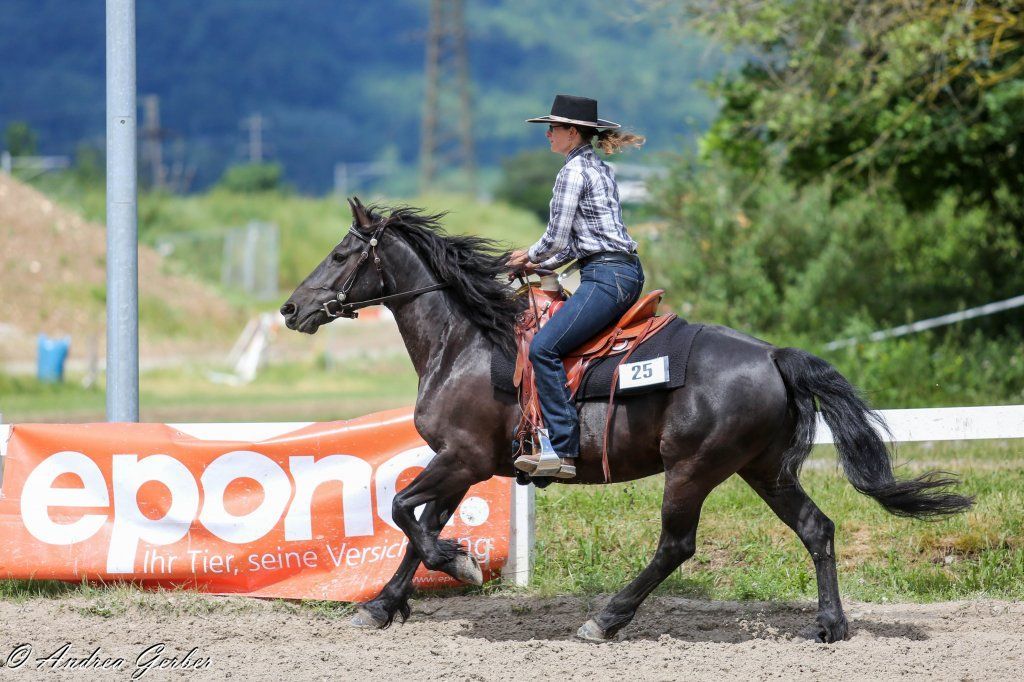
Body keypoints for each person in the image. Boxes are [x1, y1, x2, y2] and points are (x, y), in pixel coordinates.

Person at [508, 94, 646, 480]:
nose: (548, 134)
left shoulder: (571, 173)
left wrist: (525, 257)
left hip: (606, 275)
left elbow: (555, 240)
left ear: (572, 132)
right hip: (617, 271)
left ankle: (563, 449)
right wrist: (538, 262)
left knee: (544, 348)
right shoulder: (598, 169)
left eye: (553, 128)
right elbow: (571, 244)